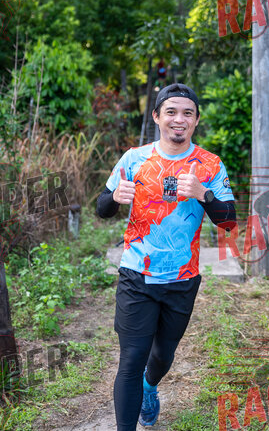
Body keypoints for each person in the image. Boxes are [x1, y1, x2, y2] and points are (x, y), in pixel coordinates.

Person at [96, 83, 237, 429]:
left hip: (182, 280)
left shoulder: (210, 165)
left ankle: (150, 386)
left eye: (187, 113)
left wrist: (203, 194)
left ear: (196, 120)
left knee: (162, 356)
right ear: (157, 117)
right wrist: (115, 198)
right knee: (131, 360)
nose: (179, 119)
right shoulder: (134, 159)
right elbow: (101, 207)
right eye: (171, 112)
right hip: (137, 275)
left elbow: (229, 221)